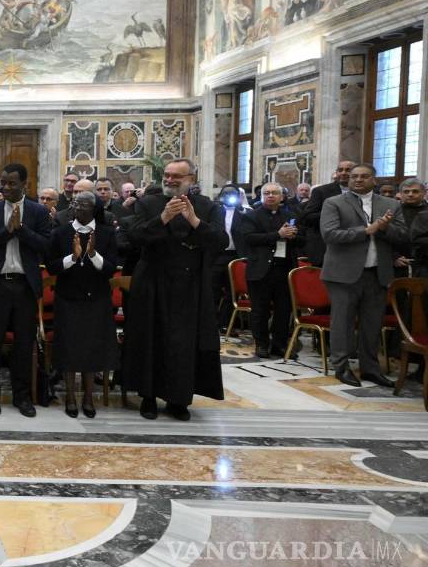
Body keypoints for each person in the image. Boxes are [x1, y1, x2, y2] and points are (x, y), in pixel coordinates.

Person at [123, 159, 228, 421]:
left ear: (190, 179)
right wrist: (163, 218)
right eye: (167, 176)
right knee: (151, 339)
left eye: (176, 177)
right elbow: (134, 237)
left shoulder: (207, 206)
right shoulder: (147, 203)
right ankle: (148, 397)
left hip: (190, 286)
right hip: (152, 282)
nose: (169, 180)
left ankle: (178, 399)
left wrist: (193, 220)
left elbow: (220, 241)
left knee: (183, 345)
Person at [0, 162, 53, 417]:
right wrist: (6, 232)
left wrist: (22, 230)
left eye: (11, 183)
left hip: (25, 286)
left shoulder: (39, 212)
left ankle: (22, 397)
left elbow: (47, 245)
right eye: (3, 182)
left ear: (25, 185)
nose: (5, 187)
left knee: (23, 345)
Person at [320, 163, 406, 388]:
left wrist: (385, 228)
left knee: (372, 323)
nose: (357, 180)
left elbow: (403, 237)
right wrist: (366, 230)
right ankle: (341, 366)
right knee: (343, 322)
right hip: (343, 274)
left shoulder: (391, 204)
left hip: (377, 273)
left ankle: (370, 368)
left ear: (374, 180)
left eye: (364, 176)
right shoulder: (334, 203)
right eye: (354, 176)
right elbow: (330, 234)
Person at [45, 191, 118, 419]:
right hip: (68, 299)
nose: (78, 209)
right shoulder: (61, 233)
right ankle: (70, 396)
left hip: (97, 299)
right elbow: (52, 267)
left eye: (84, 205)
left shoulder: (106, 234)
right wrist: (73, 258)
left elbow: (110, 269)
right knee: (69, 349)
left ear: (94, 208)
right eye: (76, 204)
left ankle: (88, 397)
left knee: (91, 348)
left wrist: (93, 254)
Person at [236, 183, 304, 359]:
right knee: (260, 310)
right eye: (267, 193)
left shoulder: (291, 215)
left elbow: (304, 239)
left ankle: (279, 344)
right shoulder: (251, 216)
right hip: (260, 270)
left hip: (284, 269)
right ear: (261, 196)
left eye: (274, 193)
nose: (270, 196)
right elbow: (249, 238)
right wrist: (278, 235)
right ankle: (262, 344)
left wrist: (294, 236)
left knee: (284, 310)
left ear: (282, 197)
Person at [301, 160, 354, 265]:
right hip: (326, 247)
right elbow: (308, 217)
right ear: (336, 173)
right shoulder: (321, 191)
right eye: (340, 170)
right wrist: (335, 214)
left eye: (348, 170)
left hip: (354, 247)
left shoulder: (362, 192)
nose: (343, 173)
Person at [214, 184, 249, 330]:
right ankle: (211, 321)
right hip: (216, 255)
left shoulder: (245, 212)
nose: (229, 197)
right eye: (226, 194)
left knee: (232, 292)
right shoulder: (214, 210)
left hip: (236, 256)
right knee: (213, 290)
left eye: (232, 194)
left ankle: (225, 323)